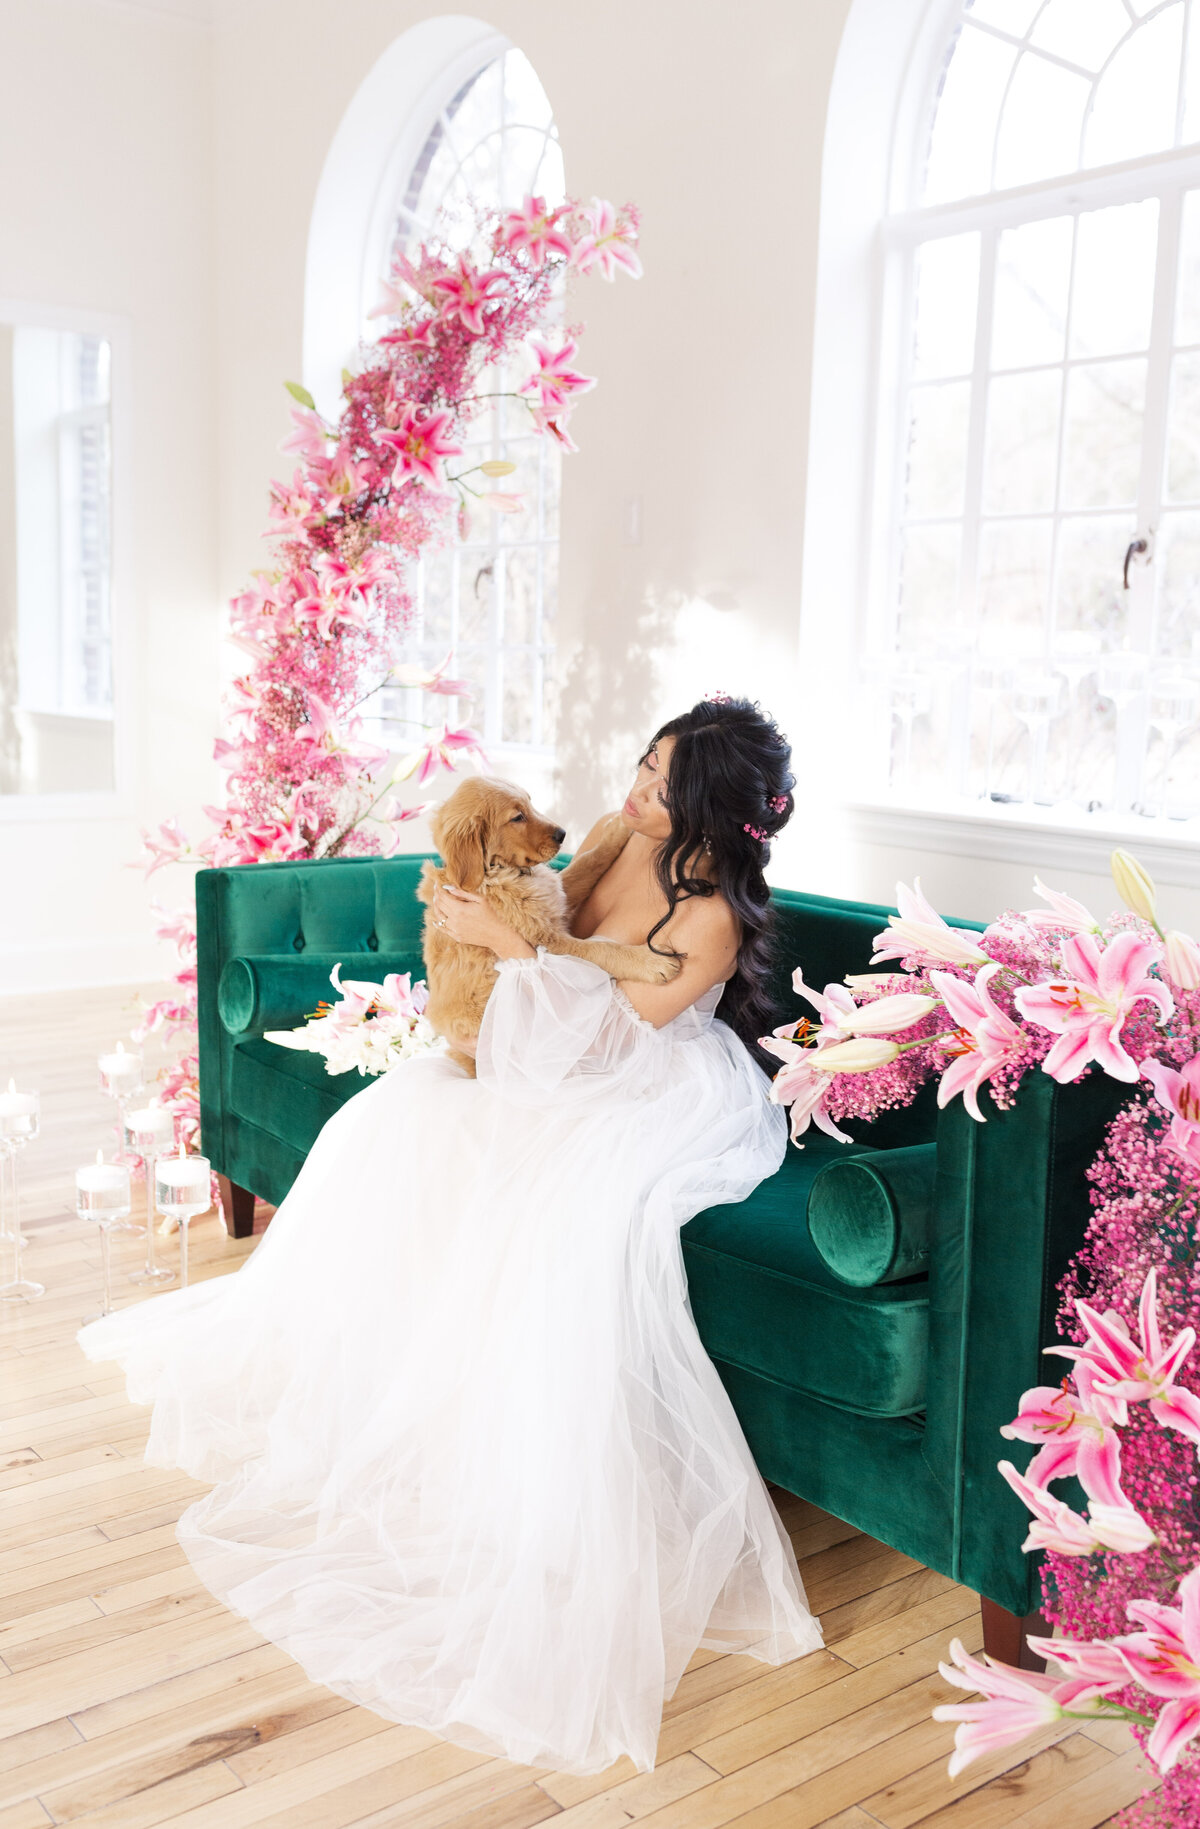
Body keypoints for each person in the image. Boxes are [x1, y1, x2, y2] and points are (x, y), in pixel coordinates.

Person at [75, 696, 823, 1777]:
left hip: (638, 1082)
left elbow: (613, 1034)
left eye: (660, 780)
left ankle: (505, 1463)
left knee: (549, 1194)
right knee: (402, 1112)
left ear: (706, 807)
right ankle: (368, 1377)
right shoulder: (616, 836)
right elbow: (545, 923)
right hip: (547, 1038)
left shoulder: (712, 917)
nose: (633, 787)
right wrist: (484, 924)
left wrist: (509, 945)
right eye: (644, 759)